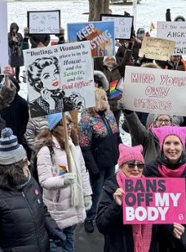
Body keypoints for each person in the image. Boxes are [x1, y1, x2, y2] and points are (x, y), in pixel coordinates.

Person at [0, 128, 66, 251]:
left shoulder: (30, 182)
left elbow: (41, 209)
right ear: (14, 168)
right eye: (25, 161)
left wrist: (52, 227)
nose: (29, 164)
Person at [35, 113, 92, 251]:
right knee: (57, 244)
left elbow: (83, 171)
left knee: (70, 242)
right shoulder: (46, 150)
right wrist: (63, 180)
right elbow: (44, 180)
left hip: (73, 205)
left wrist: (86, 194)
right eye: (64, 125)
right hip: (57, 208)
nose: (69, 127)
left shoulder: (74, 146)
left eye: (70, 124)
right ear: (54, 128)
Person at [145, 126, 186, 251]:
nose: (172, 148)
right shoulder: (150, 169)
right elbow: (144, 202)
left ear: (182, 146)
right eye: (167, 143)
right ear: (161, 146)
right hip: (157, 232)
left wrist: (180, 218)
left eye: (176, 143)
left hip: (182, 229)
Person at [96, 144, 154, 252]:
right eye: (131, 165)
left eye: (140, 165)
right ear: (121, 166)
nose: (136, 169)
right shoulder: (111, 186)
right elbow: (102, 225)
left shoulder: (151, 186)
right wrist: (116, 205)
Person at [79, 88, 121, 233]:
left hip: (111, 160)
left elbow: (116, 135)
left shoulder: (109, 114)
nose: (106, 100)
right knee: (96, 191)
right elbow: (85, 146)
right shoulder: (86, 119)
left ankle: (106, 214)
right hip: (97, 164)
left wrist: (121, 153)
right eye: (103, 98)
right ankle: (90, 217)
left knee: (110, 189)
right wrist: (93, 169)